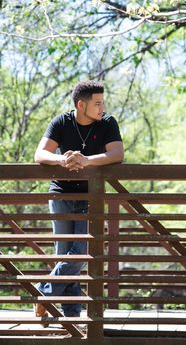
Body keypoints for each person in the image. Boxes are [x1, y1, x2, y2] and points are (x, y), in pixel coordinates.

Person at [34, 80, 124, 318]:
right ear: (81, 104)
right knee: (65, 255)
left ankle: (44, 292)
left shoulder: (107, 123)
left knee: (83, 251)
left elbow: (117, 153)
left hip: (89, 197)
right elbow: (40, 153)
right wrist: (61, 160)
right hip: (60, 194)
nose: (102, 107)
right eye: (97, 103)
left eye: (103, 102)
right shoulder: (61, 122)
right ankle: (71, 315)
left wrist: (87, 160)